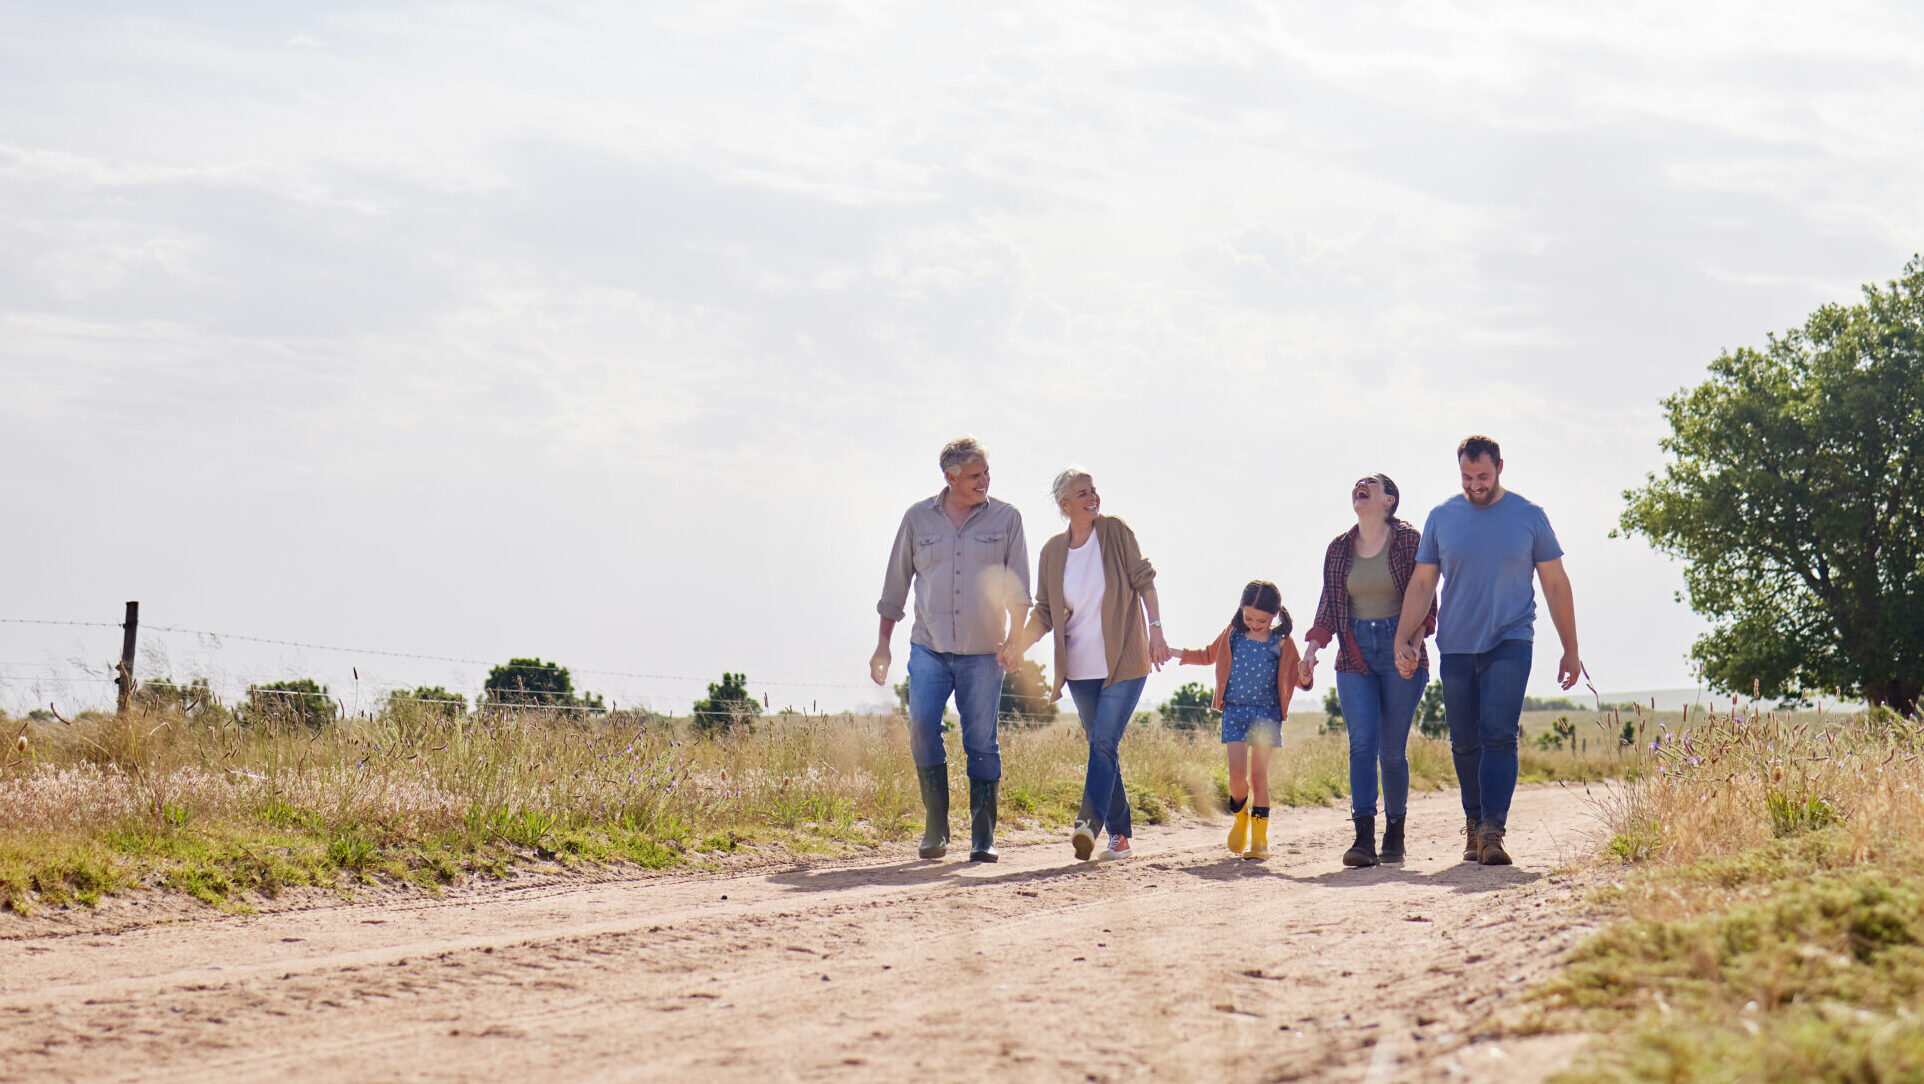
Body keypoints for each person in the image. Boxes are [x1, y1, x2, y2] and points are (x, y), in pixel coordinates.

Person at [1392, 435, 1582, 866]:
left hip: (1511, 640)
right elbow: (1423, 584)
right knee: (1464, 742)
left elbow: (1556, 583)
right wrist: (1403, 639)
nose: (1475, 484)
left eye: (1482, 475)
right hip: (1457, 643)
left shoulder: (1529, 516)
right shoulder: (1442, 517)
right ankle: (1474, 825)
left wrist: (1571, 649)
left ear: (1500, 467)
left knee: (1498, 734)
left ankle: (1492, 830)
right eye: (1466, 476)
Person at [872, 437, 1030, 862]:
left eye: (986, 473)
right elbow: (895, 586)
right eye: (975, 475)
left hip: (984, 652)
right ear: (951, 477)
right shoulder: (917, 519)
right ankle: (936, 827)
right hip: (929, 648)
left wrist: (1016, 640)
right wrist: (883, 645)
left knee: (981, 740)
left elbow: (1018, 591)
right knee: (922, 726)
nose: (985, 481)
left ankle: (983, 836)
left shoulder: (1007, 519)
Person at [1009, 468, 1170, 862]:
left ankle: (1087, 824)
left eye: (1093, 490)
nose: (1092, 497)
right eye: (1082, 493)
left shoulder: (1115, 532)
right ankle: (1122, 837)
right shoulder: (1052, 552)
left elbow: (1144, 580)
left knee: (1102, 742)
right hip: (1079, 669)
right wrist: (1017, 644)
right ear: (1065, 505)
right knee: (1104, 748)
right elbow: (1045, 611)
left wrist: (1156, 631)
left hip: (1125, 662)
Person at [1300, 474, 1435, 868]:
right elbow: (1329, 604)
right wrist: (1309, 654)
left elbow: (1426, 596)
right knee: (1361, 745)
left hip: (1400, 648)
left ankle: (1395, 830)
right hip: (1354, 653)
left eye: (1371, 484)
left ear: (1389, 500)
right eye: (1357, 483)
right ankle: (1362, 837)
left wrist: (1414, 643)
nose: (1360, 485)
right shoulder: (1339, 548)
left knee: (1391, 751)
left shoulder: (1409, 540)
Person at [1171, 581, 1310, 860]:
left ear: (1275, 616)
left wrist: (1305, 676)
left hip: (1266, 715)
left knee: (1259, 778)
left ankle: (1259, 840)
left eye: (1262, 619)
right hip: (1234, 712)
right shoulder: (1233, 634)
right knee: (1236, 777)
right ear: (1240, 612)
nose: (1255, 624)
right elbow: (1209, 654)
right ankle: (1241, 817)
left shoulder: (1281, 642)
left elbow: (1298, 677)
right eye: (1249, 617)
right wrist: (1178, 654)